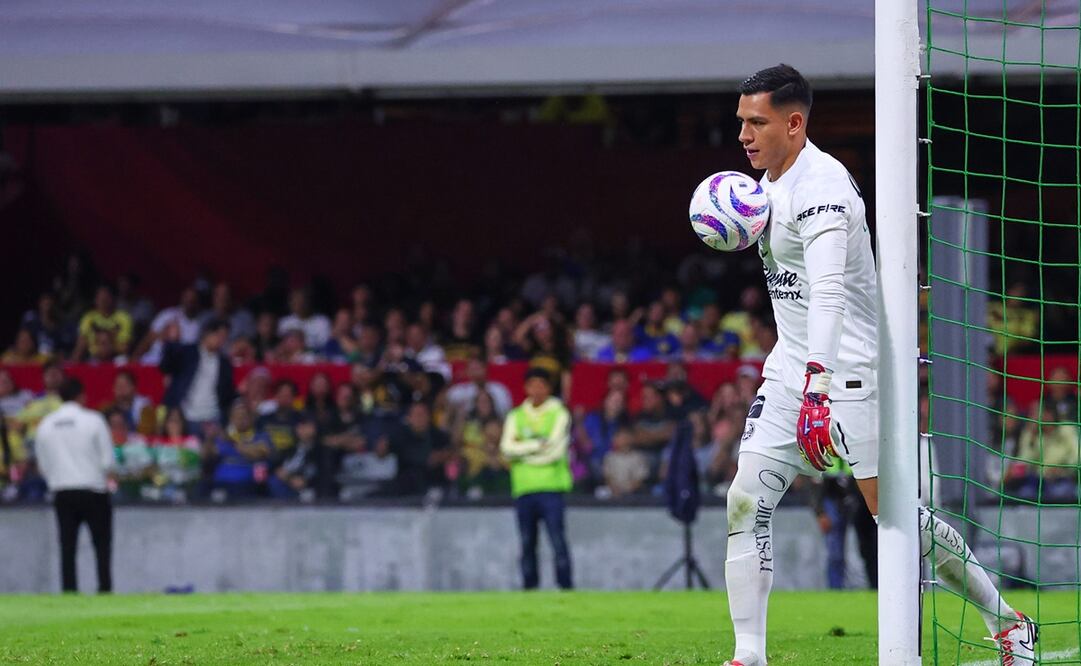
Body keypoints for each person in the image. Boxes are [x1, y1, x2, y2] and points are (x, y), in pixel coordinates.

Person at [722, 65, 1035, 665]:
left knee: (895, 523)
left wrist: (818, 388)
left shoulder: (825, 191)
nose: (744, 134)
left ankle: (1007, 621)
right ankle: (749, 653)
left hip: (849, 375)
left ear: (794, 122)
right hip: (793, 367)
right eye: (741, 121)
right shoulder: (762, 185)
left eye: (756, 122)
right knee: (744, 499)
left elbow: (831, 294)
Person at [34, 378, 115, 593]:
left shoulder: (46, 424)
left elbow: (42, 466)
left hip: (63, 491)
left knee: (67, 547)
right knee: (101, 546)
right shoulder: (94, 420)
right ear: (82, 396)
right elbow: (108, 461)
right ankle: (104, 589)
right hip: (93, 490)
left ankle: (69, 591)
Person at [500, 368, 573, 590]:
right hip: (524, 488)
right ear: (526, 388)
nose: (537, 389)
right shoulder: (516, 415)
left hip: (551, 487)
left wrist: (524, 452)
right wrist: (538, 446)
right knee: (527, 543)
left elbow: (556, 452)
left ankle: (565, 586)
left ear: (549, 388)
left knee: (557, 541)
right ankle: (529, 588)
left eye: (541, 384)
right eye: (532, 384)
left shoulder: (559, 413)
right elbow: (506, 448)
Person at [160, 319, 236, 429]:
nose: (221, 340)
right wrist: (172, 342)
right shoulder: (187, 352)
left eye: (225, 337)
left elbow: (227, 393)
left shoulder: (225, 363)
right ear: (207, 333)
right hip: (186, 417)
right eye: (219, 335)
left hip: (212, 418)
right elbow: (165, 367)